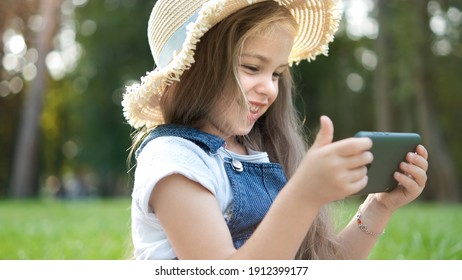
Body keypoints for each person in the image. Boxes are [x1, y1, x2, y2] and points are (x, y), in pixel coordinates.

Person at [122, 0, 429, 260]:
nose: (269, 88)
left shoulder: (259, 150)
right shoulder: (174, 159)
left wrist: (378, 206)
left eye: (277, 74)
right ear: (192, 69)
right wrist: (304, 194)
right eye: (252, 68)